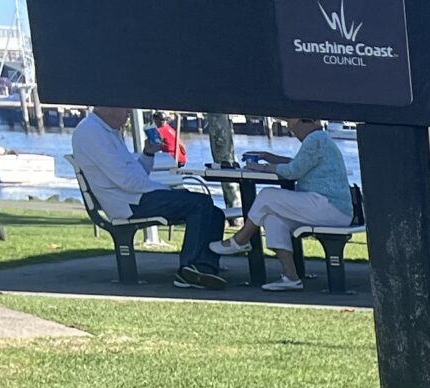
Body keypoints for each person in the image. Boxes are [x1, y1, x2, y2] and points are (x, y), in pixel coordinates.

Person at [71, 104, 228, 290]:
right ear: (108, 108)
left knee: (215, 213)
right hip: (128, 203)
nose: (129, 113)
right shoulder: (92, 133)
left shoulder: (109, 132)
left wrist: (148, 153)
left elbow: (136, 176)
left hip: (135, 197)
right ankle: (188, 269)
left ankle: (204, 268)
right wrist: (166, 190)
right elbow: (127, 182)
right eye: (125, 109)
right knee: (199, 203)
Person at [219, 117, 350, 294]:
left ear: (306, 122)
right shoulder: (320, 139)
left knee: (267, 195)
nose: (293, 133)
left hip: (329, 206)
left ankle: (241, 239)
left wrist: (261, 168)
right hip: (325, 207)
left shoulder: (316, 139)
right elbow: (297, 163)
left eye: (293, 128)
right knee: (273, 219)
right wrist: (268, 157)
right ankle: (291, 277)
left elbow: (292, 171)